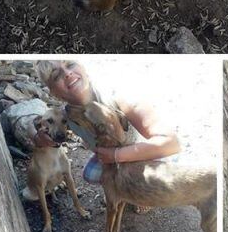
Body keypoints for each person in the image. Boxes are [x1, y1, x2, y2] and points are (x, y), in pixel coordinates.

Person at [33, 60, 179, 184]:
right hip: (108, 153)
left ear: (83, 68)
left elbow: (172, 143)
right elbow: (43, 132)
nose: (67, 73)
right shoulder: (67, 115)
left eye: (70, 64)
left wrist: (116, 155)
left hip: (140, 151)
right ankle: (121, 187)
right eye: (57, 75)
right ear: (53, 93)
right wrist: (42, 139)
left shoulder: (119, 96)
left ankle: (139, 189)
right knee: (90, 175)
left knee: (151, 181)